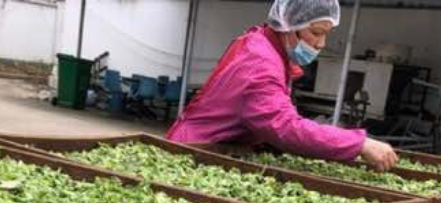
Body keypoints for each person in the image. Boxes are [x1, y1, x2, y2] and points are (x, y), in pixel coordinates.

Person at [167, 0, 398, 172]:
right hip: (192, 154)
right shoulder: (260, 63)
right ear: (288, 26)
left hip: (219, 148)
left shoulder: (267, 45)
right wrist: (358, 143)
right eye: (316, 33)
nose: (321, 44)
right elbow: (284, 127)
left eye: (326, 34)